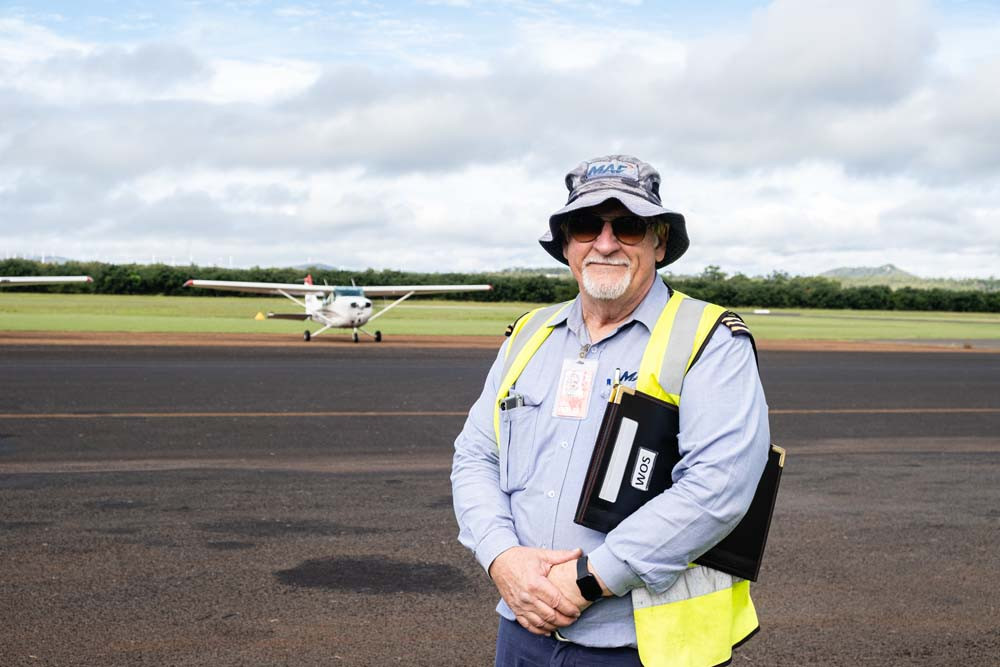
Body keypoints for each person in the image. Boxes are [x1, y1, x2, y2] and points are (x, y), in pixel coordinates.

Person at [451, 155, 770, 667]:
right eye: (585, 225)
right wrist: (501, 558)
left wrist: (587, 581)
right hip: (522, 634)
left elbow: (718, 487)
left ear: (658, 242)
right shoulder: (528, 336)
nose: (604, 243)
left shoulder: (709, 341)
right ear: (566, 244)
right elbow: (475, 457)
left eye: (627, 226)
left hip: (641, 649)